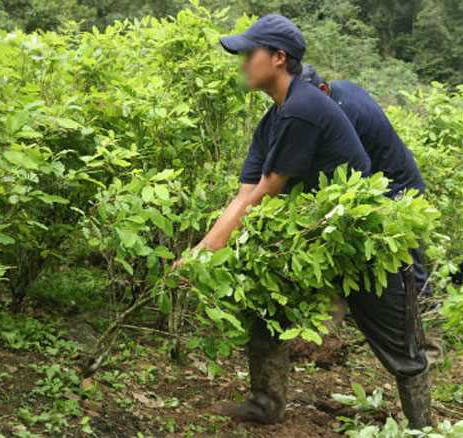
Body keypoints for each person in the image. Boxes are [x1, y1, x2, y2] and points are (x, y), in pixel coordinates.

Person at [178, 15, 432, 428]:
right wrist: (201, 252)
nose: (242, 63)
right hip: (315, 234)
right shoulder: (274, 119)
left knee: (399, 349)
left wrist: (202, 254)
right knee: (265, 300)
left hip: (358, 238)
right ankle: (265, 404)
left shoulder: (303, 109)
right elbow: (245, 192)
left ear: (279, 58)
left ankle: (426, 428)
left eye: (249, 54)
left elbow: (264, 194)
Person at [299, 64, 441, 362]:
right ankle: (325, 335)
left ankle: (430, 343)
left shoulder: (344, 114)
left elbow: (347, 172)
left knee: (407, 264)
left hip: (397, 189)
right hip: (377, 183)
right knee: (341, 256)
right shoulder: (339, 92)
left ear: (323, 91)